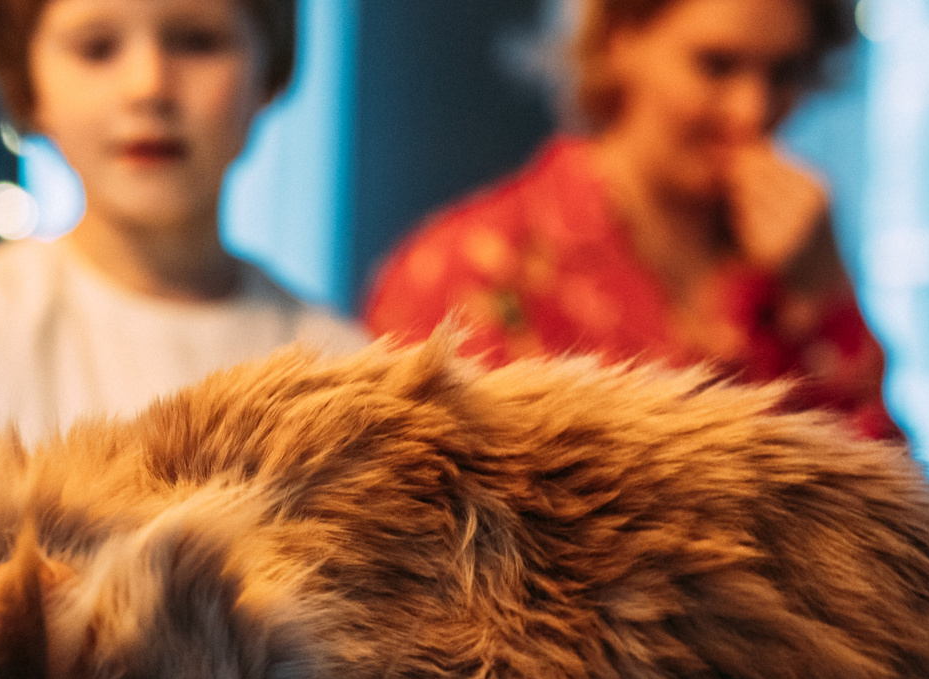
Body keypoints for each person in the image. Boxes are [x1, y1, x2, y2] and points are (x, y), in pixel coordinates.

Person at [0, 0, 365, 497]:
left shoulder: (338, 371)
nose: (149, 85)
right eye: (97, 48)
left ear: (267, 69)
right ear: (29, 83)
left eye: (198, 42)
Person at [364, 0, 897, 440]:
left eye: (784, 73)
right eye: (717, 65)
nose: (752, 111)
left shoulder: (797, 261)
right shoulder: (472, 270)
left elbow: (888, 525)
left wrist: (821, 305)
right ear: (620, 39)